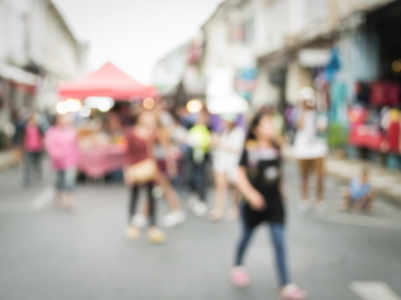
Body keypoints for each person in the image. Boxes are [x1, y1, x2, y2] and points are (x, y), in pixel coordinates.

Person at [230, 112, 307, 300]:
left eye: (272, 124)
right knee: (246, 236)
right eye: (266, 124)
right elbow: (239, 177)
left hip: (274, 204)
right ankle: (238, 265)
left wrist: (283, 191)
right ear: (256, 129)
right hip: (253, 205)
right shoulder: (249, 149)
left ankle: (285, 285)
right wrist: (251, 195)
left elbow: (279, 174)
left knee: (279, 243)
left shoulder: (277, 148)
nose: (271, 128)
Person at [123, 111, 165, 243]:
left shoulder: (153, 134)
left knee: (152, 197)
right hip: (136, 169)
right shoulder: (131, 133)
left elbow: (157, 152)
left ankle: (152, 225)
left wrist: (157, 170)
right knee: (134, 196)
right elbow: (127, 153)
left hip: (150, 169)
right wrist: (127, 170)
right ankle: (132, 223)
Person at [293, 87, 328, 212]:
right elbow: (297, 126)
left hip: (317, 148)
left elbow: (324, 127)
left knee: (319, 175)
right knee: (304, 176)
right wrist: (303, 111)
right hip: (302, 149)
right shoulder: (297, 112)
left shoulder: (319, 113)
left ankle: (319, 199)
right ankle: (305, 199)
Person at [209, 113, 245, 221]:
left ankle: (235, 208)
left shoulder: (239, 132)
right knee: (220, 186)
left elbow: (236, 148)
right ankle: (218, 209)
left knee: (234, 187)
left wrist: (220, 142)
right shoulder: (222, 131)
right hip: (221, 162)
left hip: (232, 163)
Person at [44, 114, 78, 212]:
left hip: (70, 161)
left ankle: (69, 201)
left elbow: (75, 146)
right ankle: (57, 193)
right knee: (59, 181)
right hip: (58, 162)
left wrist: (77, 160)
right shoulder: (52, 132)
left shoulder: (71, 131)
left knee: (69, 180)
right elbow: (50, 146)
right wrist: (59, 154)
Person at [187, 109, 212, 216]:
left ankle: (202, 199)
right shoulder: (194, 128)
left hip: (203, 156)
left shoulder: (207, 129)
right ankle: (196, 195)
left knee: (202, 178)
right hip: (194, 156)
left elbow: (207, 142)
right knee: (194, 176)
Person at [23, 113, 43, 186]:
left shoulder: (38, 127)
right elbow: (24, 137)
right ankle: (27, 177)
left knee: (37, 162)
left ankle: (38, 174)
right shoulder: (26, 127)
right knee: (28, 163)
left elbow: (41, 136)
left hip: (37, 147)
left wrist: (42, 145)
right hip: (29, 147)